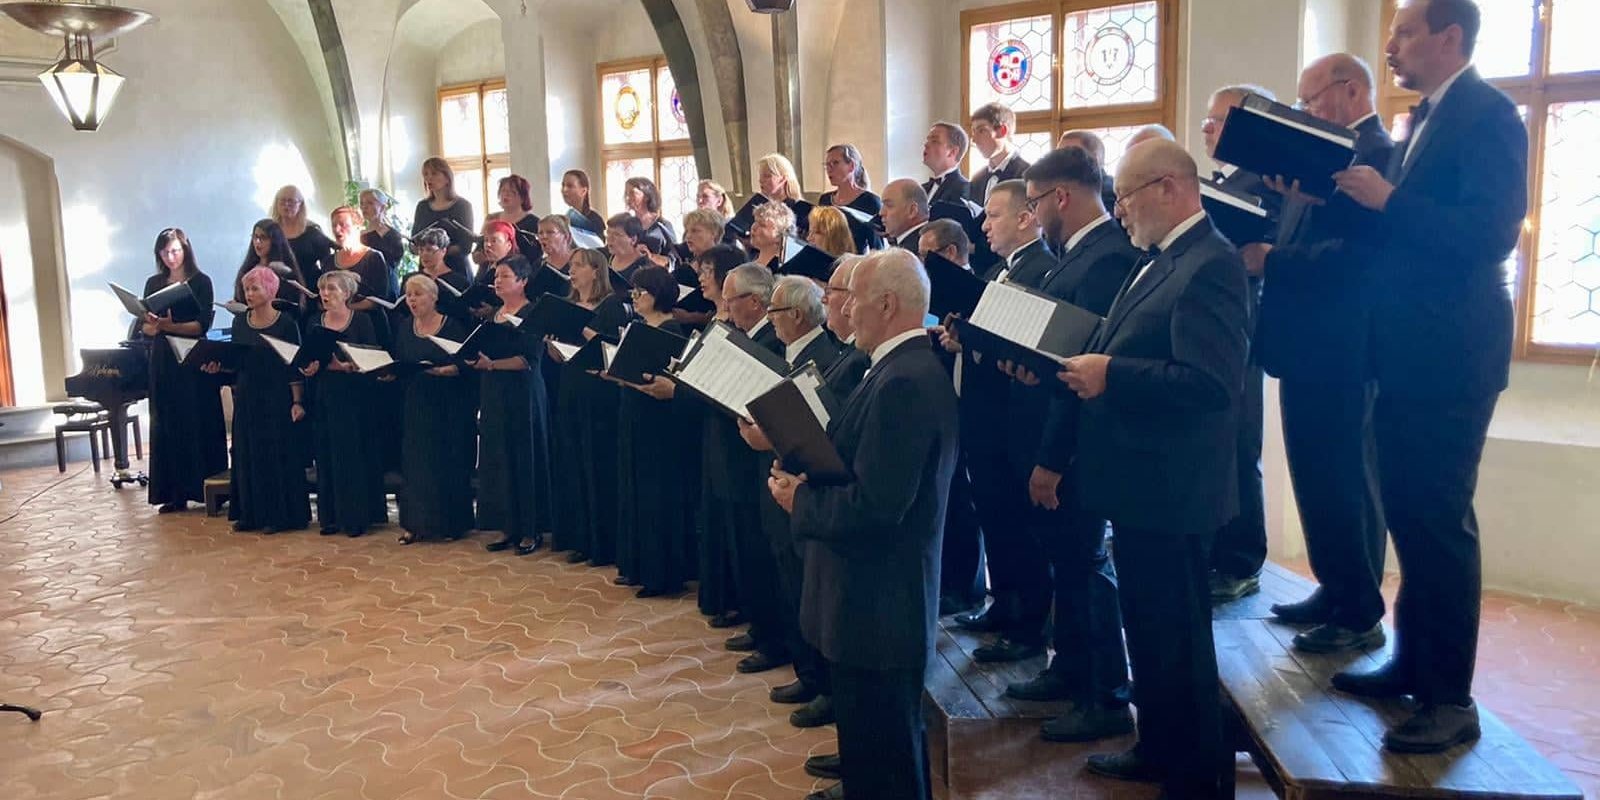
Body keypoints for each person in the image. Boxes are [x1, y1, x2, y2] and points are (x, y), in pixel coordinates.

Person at [1328, 0, 1526, 754]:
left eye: (1405, 32)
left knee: (1439, 524)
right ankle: (1412, 663)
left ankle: (1451, 700)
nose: (1390, 46)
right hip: (1406, 353)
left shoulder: (1490, 114)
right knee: (1407, 515)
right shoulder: (1429, 116)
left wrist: (1391, 200)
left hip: (1452, 357)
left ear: (1451, 38)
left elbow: (1492, 232)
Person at [1056, 139, 1248, 798]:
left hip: (1176, 489)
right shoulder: (1162, 260)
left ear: (1168, 188)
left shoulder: (1210, 265)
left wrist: (1113, 374)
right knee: (1150, 632)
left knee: (1179, 641)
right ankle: (1159, 746)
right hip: (1142, 485)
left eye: (1128, 200)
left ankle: (1196, 778)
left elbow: (1210, 384)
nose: (1122, 213)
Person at [770, 249, 959, 800]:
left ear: (887, 303)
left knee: (889, 754)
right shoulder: (898, 369)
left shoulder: (906, 381)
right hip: (868, 597)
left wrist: (799, 502)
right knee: (870, 743)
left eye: (853, 297)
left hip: (881, 599)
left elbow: (877, 507)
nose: (845, 311)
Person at [1249, 53, 1395, 656]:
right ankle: (1334, 588)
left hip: (1344, 346)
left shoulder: (1380, 158)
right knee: (1314, 475)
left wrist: (1271, 260)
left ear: (1351, 91)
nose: (1306, 113)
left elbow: (1360, 264)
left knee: (1346, 481)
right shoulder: (1320, 161)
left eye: (1311, 101)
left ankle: (1359, 608)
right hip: (1306, 343)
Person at [998, 152, 1142, 743]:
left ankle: (1104, 693)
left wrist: (1053, 459)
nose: (1031, 215)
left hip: (1078, 445)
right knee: (1068, 562)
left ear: (1061, 197)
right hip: (1051, 429)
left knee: (1086, 565)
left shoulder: (1105, 256)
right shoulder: (1078, 255)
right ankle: (1070, 667)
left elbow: (1083, 363)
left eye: (1032, 203)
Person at [940, 180, 1056, 664]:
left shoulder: (1042, 270)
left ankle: (1028, 625)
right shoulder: (999, 270)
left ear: (1026, 218)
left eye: (993, 216)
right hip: (986, 417)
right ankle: (1003, 603)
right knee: (996, 518)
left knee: (1018, 525)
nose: (984, 225)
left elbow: (1031, 343)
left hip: (1014, 419)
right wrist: (961, 335)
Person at [738, 275, 843, 729]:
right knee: (791, 577)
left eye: (774, 311)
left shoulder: (824, 357)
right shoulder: (793, 353)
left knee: (806, 583)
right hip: (786, 485)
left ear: (795, 316)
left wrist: (768, 437)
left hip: (808, 488)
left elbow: (820, 429)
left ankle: (822, 682)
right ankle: (808, 672)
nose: (769, 319)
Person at [1201, 83, 1283, 604]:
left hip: (1242, 324)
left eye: (1219, 119)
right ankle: (1219, 551)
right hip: (1219, 322)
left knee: (1237, 445)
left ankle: (1240, 559)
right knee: (1218, 445)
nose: (1207, 127)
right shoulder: (1235, 179)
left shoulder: (1267, 185)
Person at [716, 264, 789, 674]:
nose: (726, 307)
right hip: (739, 451)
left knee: (763, 551)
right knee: (748, 544)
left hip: (758, 455)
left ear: (756, 302)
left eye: (732, 299)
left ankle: (773, 637)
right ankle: (761, 627)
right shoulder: (746, 337)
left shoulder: (769, 343)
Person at [207, 266, 311, 535]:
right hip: (248, 395)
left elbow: (294, 366)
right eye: (247, 289)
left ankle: (278, 515)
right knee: (248, 453)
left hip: (276, 397)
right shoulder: (240, 322)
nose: (249, 294)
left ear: (270, 290)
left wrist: (297, 401)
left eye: (255, 288)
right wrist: (219, 366)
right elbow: (237, 361)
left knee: (274, 454)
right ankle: (250, 513)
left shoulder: (286, 323)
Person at [613, 267, 697, 598]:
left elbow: (665, 379)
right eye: (633, 292)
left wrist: (627, 377)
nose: (635, 297)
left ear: (659, 294)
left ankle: (662, 573)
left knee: (657, 494)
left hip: (659, 421)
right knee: (633, 487)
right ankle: (637, 564)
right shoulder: (637, 327)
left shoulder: (672, 329)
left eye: (641, 292)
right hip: (633, 413)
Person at [548, 247, 630, 565]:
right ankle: (580, 539)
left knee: (600, 464)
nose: (572, 270)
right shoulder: (567, 304)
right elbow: (558, 356)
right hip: (571, 385)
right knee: (574, 460)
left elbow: (610, 348)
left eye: (579, 265)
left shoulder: (612, 306)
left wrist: (580, 325)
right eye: (571, 266)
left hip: (600, 391)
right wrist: (552, 344)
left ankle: (605, 543)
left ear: (596, 270)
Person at [683, 245, 749, 625]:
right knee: (713, 506)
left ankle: (738, 598)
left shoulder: (735, 322)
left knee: (731, 511)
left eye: (707, 270)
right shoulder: (716, 316)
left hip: (730, 426)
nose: (701, 277)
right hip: (709, 422)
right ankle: (721, 594)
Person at [471, 255, 554, 556]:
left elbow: (529, 359)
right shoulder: (492, 314)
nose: (497, 280)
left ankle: (531, 529)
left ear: (522, 281)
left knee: (525, 456)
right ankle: (507, 526)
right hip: (494, 391)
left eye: (505, 276)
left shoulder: (533, 313)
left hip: (524, 392)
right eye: (496, 276)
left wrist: (492, 364)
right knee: (499, 456)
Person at [140, 227, 226, 513]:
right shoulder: (154, 283)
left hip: (192, 357)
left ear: (186, 250)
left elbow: (201, 325)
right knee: (167, 421)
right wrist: (154, 326)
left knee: (197, 418)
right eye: (164, 252)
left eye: (175, 250)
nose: (170, 257)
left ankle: (207, 487)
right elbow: (146, 326)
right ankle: (174, 492)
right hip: (164, 359)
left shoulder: (201, 281)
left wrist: (168, 326)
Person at [301, 270, 385, 538]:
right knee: (326, 454)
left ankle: (356, 518)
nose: (325, 294)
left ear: (347, 294)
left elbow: (372, 357)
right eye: (323, 289)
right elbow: (308, 357)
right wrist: (310, 367)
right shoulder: (315, 321)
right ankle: (331, 517)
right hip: (325, 394)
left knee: (352, 455)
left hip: (354, 396)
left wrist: (346, 366)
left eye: (332, 289)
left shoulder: (361, 321)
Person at [393, 274, 476, 544]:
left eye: (418, 294)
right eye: (408, 294)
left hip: (449, 402)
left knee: (448, 460)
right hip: (416, 401)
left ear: (434, 296)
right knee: (417, 463)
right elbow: (401, 360)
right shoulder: (406, 326)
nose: (412, 299)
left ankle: (450, 524)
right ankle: (414, 524)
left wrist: (453, 369)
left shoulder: (452, 326)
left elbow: (468, 362)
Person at [327, 206, 397, 315]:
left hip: (369, 323)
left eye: (342, 224)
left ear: (357, 226)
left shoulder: (374, 257)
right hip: (336, 322)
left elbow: (380, 299)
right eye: (334, 225)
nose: (337, 230)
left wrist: (346, 308)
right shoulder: (328, 261)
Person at [412, 157, 475, 275]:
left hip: (455, 268)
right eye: (426, 174)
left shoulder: (463, 206)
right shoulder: (422, 206)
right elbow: (414, 239)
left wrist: (437, 252)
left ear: (447, 178)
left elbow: (466, 245)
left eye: (434, 174)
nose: (429, 178)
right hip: (427, 270)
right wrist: (418, 248)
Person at [232, 219, 308, 311]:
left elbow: (293, 303)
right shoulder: (248, 269)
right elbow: (239, 298)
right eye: (255, 237)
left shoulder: (284, 271)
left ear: (274, 241)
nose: (257, 242)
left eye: (263, 238)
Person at [271, 185, 334, 286]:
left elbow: (327, 265)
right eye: (282, 201)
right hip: (276, 287)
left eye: (291, 201)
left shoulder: (313, 232)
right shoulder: (269, 231)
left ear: (300, 205)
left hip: (309, 287)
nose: (286, 205)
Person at [969, 103, 1031, 204]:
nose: (974, 140)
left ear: (1002, 131)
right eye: (973, 132)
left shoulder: (1026, 174)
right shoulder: (977, 179)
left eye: (981, 131)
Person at [486, 173, 542, 263]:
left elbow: (535, 254)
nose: (506, 195)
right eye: (503, 191)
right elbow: (478, 252)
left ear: (523, 197)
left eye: (512, 192)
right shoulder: (491, 218)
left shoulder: (534, 222)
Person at [1058, 129, 1118, 210]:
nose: (1060, 162)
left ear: (1095, 159)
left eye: (1070, 154)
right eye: (1058, 156)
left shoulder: (1107, 193)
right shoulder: (1070, 190)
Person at [818, 144, 881, 215]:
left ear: (851, 166)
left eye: (835, 163)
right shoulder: (825, 200)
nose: (829, 169)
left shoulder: (871, 201)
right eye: (827, 165)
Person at [922, 122, 972, 205]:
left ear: (952, 152)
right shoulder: (921, 189)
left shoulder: (964, 188)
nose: (926, 144)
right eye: (928, 140)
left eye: (934, 141)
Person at [624, 176, 677, 254]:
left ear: (647, 196)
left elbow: (674, 257)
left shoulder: (663, 225)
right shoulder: (626, 225)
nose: (627, 197)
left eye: (632, 193)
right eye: (626, 193)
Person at [359, 189, 405, 271]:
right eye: (362, 203)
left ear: (382, 207)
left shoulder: (393, 235)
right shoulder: (358, 236)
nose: (364, 207)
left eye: (370, 203)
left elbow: (394, 262)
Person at [880, 179, 931, 250]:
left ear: (912, 211)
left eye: (889, 205)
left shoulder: (918, 250)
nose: (881, 213)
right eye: (883, 205)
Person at [750, 201, 797, 272]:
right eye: (755, 221)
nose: (754, 227)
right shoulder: (745, 269)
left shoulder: (787, 272)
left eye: (762, 225)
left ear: (780, 234)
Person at [562, 169, 606, 235]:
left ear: (584, 191)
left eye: (570, 186)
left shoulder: (595, 220)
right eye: (563, 185)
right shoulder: (564, 219)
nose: (564, 190)